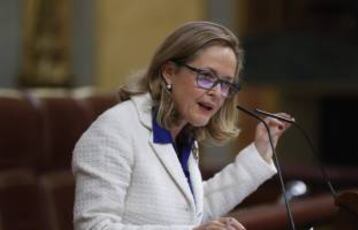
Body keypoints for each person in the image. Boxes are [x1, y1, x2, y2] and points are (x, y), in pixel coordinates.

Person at [72, 21, 292, 230]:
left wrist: (261, 150)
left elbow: (189, 211)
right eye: (206, 76)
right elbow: (94, 226)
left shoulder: (181, 133)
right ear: (169, 72)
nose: (216, 92)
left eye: (225, 83)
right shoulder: (114, 130)